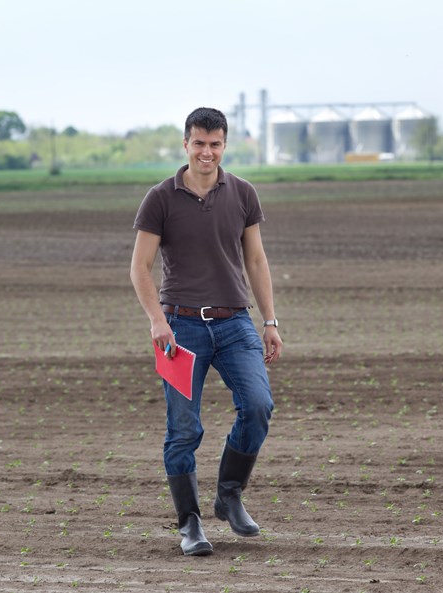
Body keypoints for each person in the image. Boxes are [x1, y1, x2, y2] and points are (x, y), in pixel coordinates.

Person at [130, 107, 282, 557]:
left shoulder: (243, 193)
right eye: (199, 143)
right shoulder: (160, 198)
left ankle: (229, 494)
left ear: (224, 146)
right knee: (183, 429)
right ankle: (190, 523)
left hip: (235, 323)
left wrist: (269, 322)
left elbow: (256, 260)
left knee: (258, 406)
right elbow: (140, 268)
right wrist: (157, 320)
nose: (207, 152)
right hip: (179, 328)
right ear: (186, 144)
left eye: (215, 144)